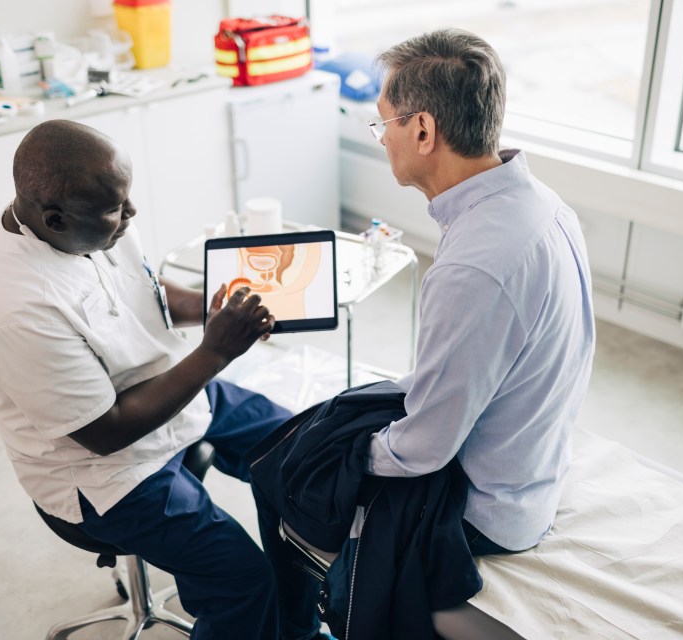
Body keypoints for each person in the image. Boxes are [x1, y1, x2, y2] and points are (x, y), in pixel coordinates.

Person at [255, 27, 596, 637]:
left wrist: (343, 455)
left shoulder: (475, 267)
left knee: (280, 472)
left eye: (382, 122)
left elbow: (421, 450)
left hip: (488, 509)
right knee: (330, 422)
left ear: (422, 130)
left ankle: (295, 629)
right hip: (532, 458)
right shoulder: (542, 204)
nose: (381, 136)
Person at [0, 119, 291, 640]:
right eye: (118, 208)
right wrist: (217, 350)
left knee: (300, 449)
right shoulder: (14, 309)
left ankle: (295, 627)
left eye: (126, 198)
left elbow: (145, 286)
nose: (130, 214)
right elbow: (105, 432)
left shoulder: (91, 217)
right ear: (54, 219)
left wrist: (214, 313)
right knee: (242, 579)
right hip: (106, 476)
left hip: (172, 394)